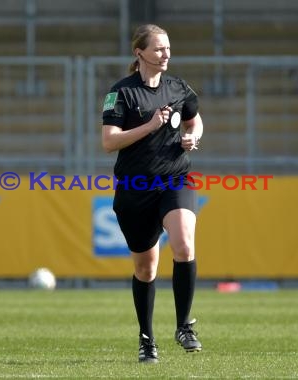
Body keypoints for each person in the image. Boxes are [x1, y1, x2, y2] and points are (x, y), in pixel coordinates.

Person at [101, 24, 204, 364]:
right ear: (139, 52)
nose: (166, 54)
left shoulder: (178, 88)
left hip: (174, 180)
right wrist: (148, 127)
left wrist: (193, 138)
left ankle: (184, 326)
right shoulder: (122, 93)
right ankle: (147, 340)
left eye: (168, 48)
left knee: (184, 243)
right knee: (146, 269)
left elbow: (194, 120)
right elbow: (108, 141)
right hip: (135, 190)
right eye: (159, 49)